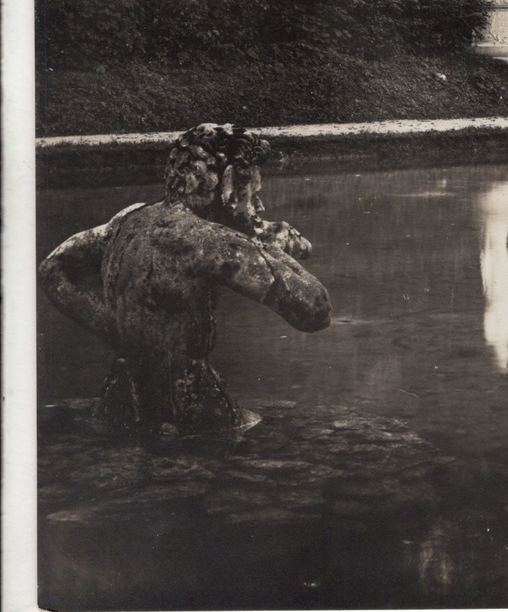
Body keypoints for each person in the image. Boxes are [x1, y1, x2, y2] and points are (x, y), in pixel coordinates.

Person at [39, 123, 331, 433]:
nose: (258, 206)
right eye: (254, 194)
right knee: (265, 429)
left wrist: (115, 329)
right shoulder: (210, 241)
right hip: (190, 410)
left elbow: (53, 268)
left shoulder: (129, 218)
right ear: (229, 182)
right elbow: (315, 311)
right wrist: (264, 244)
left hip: (120, 402)